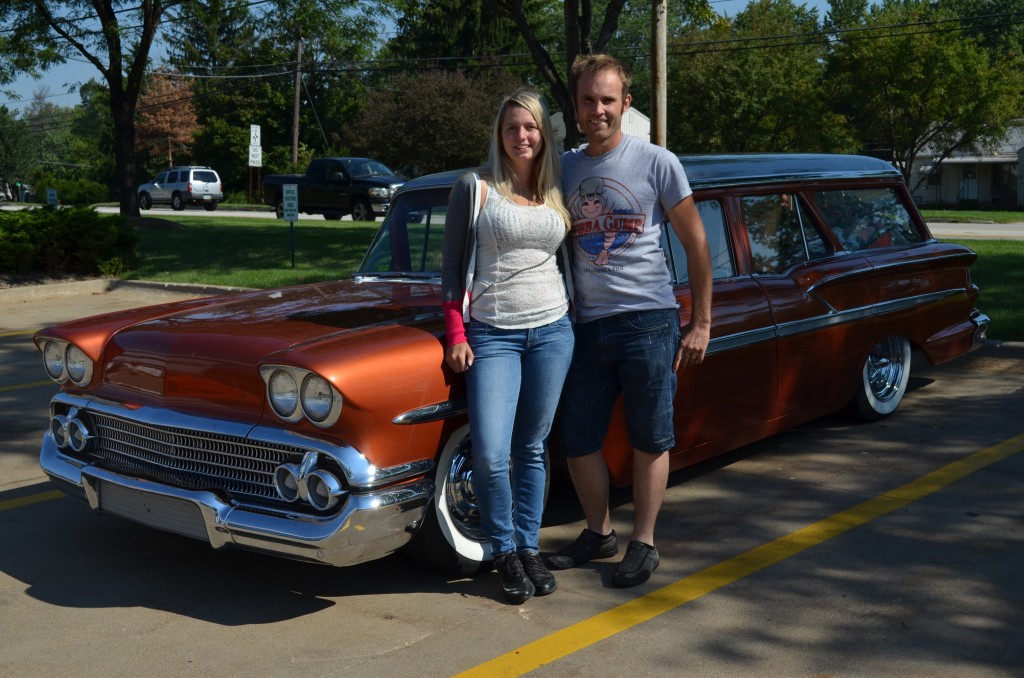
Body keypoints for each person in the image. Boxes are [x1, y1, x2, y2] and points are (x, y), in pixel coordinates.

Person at [548, 54, 713, 587]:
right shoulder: (565, 168)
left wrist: (702, 322)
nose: (598, 109)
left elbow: (696, 243)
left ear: (626, 103)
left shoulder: (657, 162)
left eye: (607, 99)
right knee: (576, 437)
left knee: (649, 437)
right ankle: (599, 533)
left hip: (649, 320)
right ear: (574, 107)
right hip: (587, 325)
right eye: (588, 100)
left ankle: (643, 542)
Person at [441, 88, 575, 605]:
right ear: (500, 134)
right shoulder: (474, 188)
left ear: (544, 134)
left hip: (553, 331)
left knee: (533, 448)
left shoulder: (557, 188)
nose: (523, 136)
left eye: (532, 127)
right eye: (513, 127)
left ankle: (529, 545)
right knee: (493, 454)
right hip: (492, 334)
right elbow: (451, 270)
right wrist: (456, 333)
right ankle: (503, 551)